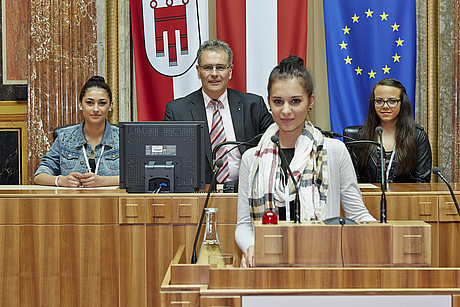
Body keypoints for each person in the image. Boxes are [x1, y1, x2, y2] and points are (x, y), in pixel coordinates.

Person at [234, 55, 376, 268]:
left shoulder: (334, 150)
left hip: (323, 264)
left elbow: (357, 214)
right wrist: (251, 247)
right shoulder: (251, 158)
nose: (286, 111)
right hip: (267, 263)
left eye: (295, 101)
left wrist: (384, 236)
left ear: (311, 101)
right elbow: (244, 225)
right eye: (278, 102)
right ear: (269, 102)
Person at [163, 39, 273, 184]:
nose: (214, 74)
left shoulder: (253, 105)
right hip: (198, 193)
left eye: (220, 67)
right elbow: (167, 158)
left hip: (246, 191)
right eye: (208, 68)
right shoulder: (177, 111)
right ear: (198, 71)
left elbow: (274, 144)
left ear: (230, 71)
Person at [34, 76, 119, 187]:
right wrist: (60, 180)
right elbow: (39, 176)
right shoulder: (64, 137)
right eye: (90, 103)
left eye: (102, 103)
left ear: (110, 106)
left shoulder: (122, 138)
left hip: (112, 202)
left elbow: (139, 176)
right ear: (80, 104)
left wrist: (103, 182)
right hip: (72, 203)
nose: (96, 109)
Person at [347, 78, 432, 183]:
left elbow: (422, 181)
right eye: (379, 101)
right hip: (367, 198)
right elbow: (353, 181)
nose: (385, 106)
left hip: (405, 198)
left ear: (402, 103)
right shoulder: (360, 136)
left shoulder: (418, 136)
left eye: (392, 101)